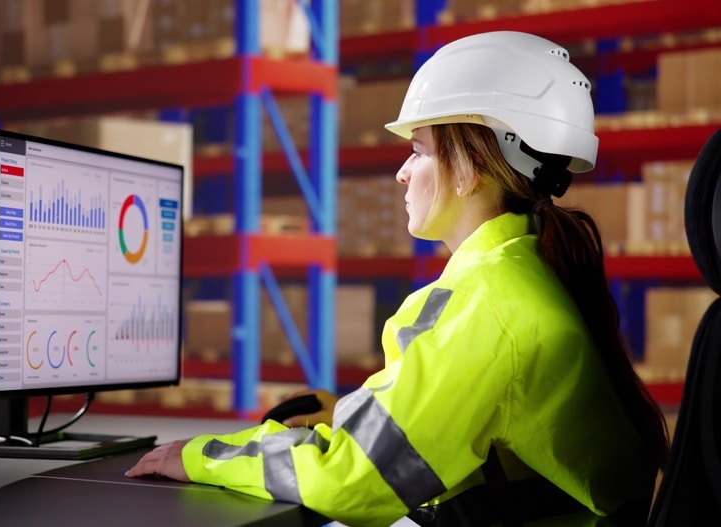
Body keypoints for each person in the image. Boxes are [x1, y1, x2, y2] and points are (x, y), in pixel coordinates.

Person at [126, 31, 670, 527]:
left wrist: (202, 456)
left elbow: (352, 481)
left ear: (471, 165)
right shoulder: (522, 274)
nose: (402, 172)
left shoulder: (486, 307)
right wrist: (347, 412)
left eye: (418, 150)